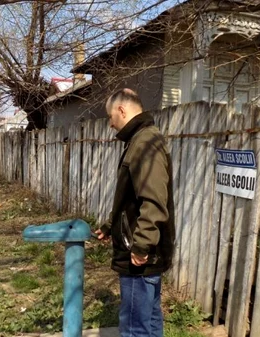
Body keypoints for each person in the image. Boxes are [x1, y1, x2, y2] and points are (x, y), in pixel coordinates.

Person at [95, 88, 175, 337]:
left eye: (110, 116)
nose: (110, 123)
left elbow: (153, 200)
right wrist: (110, 226)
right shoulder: (141, 139)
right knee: (149, 323)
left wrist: (141, 246)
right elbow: (131, 198)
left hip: (139, 255)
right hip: (143, 250)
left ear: (122, 110)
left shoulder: (144, 142)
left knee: (134, 329)